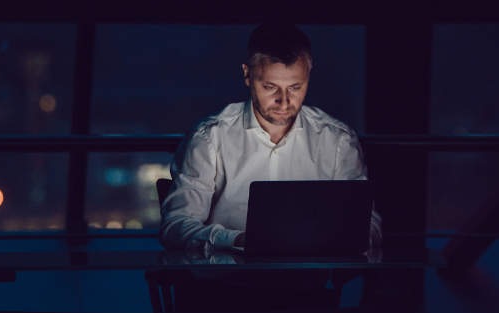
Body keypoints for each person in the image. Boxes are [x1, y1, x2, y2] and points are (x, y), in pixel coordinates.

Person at [160, 22, 382, 252]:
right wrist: (238, 240)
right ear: (247, 75)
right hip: (226, 280)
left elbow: (369, 226)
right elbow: (176, 226)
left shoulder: (337, 141)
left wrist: (331, 241)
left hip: (309, 282)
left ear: (309, 73)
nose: (284, 101)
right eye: (270, 87)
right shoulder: (210, 138)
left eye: (295, 87)